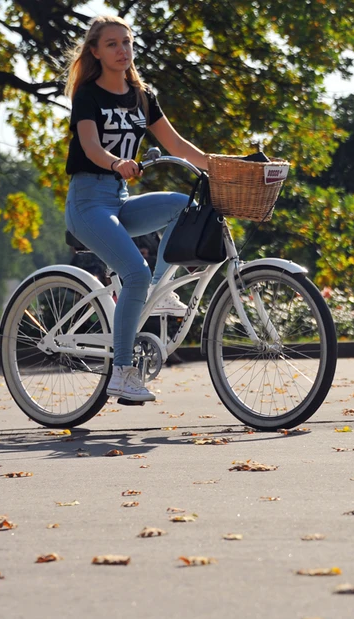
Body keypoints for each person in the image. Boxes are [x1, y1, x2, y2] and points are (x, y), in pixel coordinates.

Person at [63, 15, 211, 403]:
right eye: (111, 44)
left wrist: (221, 165)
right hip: (87, 201)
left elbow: (178, 146)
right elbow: (91, 147)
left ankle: (159, 293)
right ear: (95, 51)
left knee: (185, 206)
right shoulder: (88, 95)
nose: (122, 50)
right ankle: (122, 373)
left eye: (126, 42)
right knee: (134, 271)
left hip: (119, 198)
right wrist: (116, 162)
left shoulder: (142, 95)